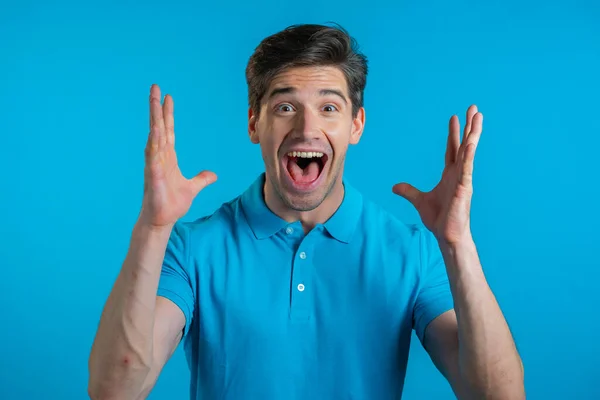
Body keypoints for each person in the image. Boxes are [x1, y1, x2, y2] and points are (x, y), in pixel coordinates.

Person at [88, 23, 525, 399]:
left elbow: (498, 394)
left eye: (329, 107)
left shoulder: (411, 253)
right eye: (285, 107)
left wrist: (456, 244)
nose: (306, 128)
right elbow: (116, 390)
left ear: (356, 125)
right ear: (254, 124)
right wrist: (153, 227)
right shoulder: (192, 248)